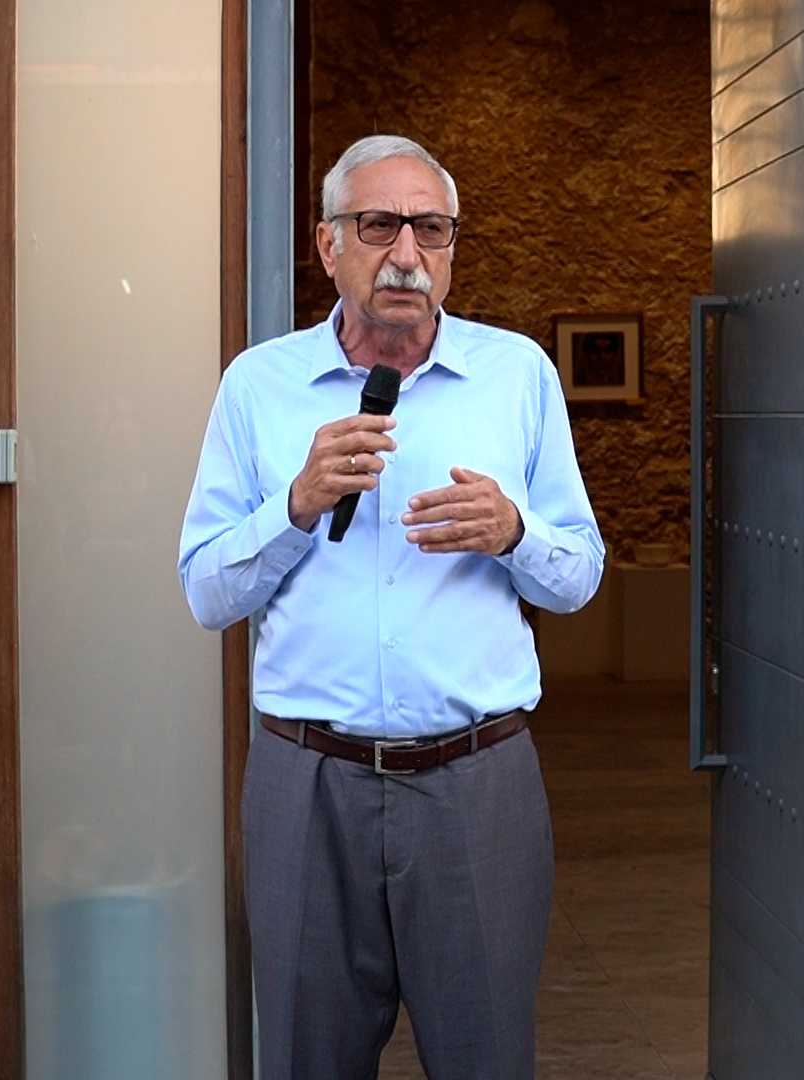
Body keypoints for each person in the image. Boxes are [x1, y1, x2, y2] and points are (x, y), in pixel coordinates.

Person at [178, 134, 605, 1079]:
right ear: (328, 245)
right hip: (307, 786)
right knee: (307, 1058)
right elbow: (207, 592)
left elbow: (578, 576)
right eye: (379, 226)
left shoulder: (518, 375)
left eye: (431, 229)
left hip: (477, 784)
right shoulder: (259, 385)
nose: (407, 253)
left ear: (451, 248)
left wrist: (514, 533)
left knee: (486, 1058)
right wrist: (295, 506)